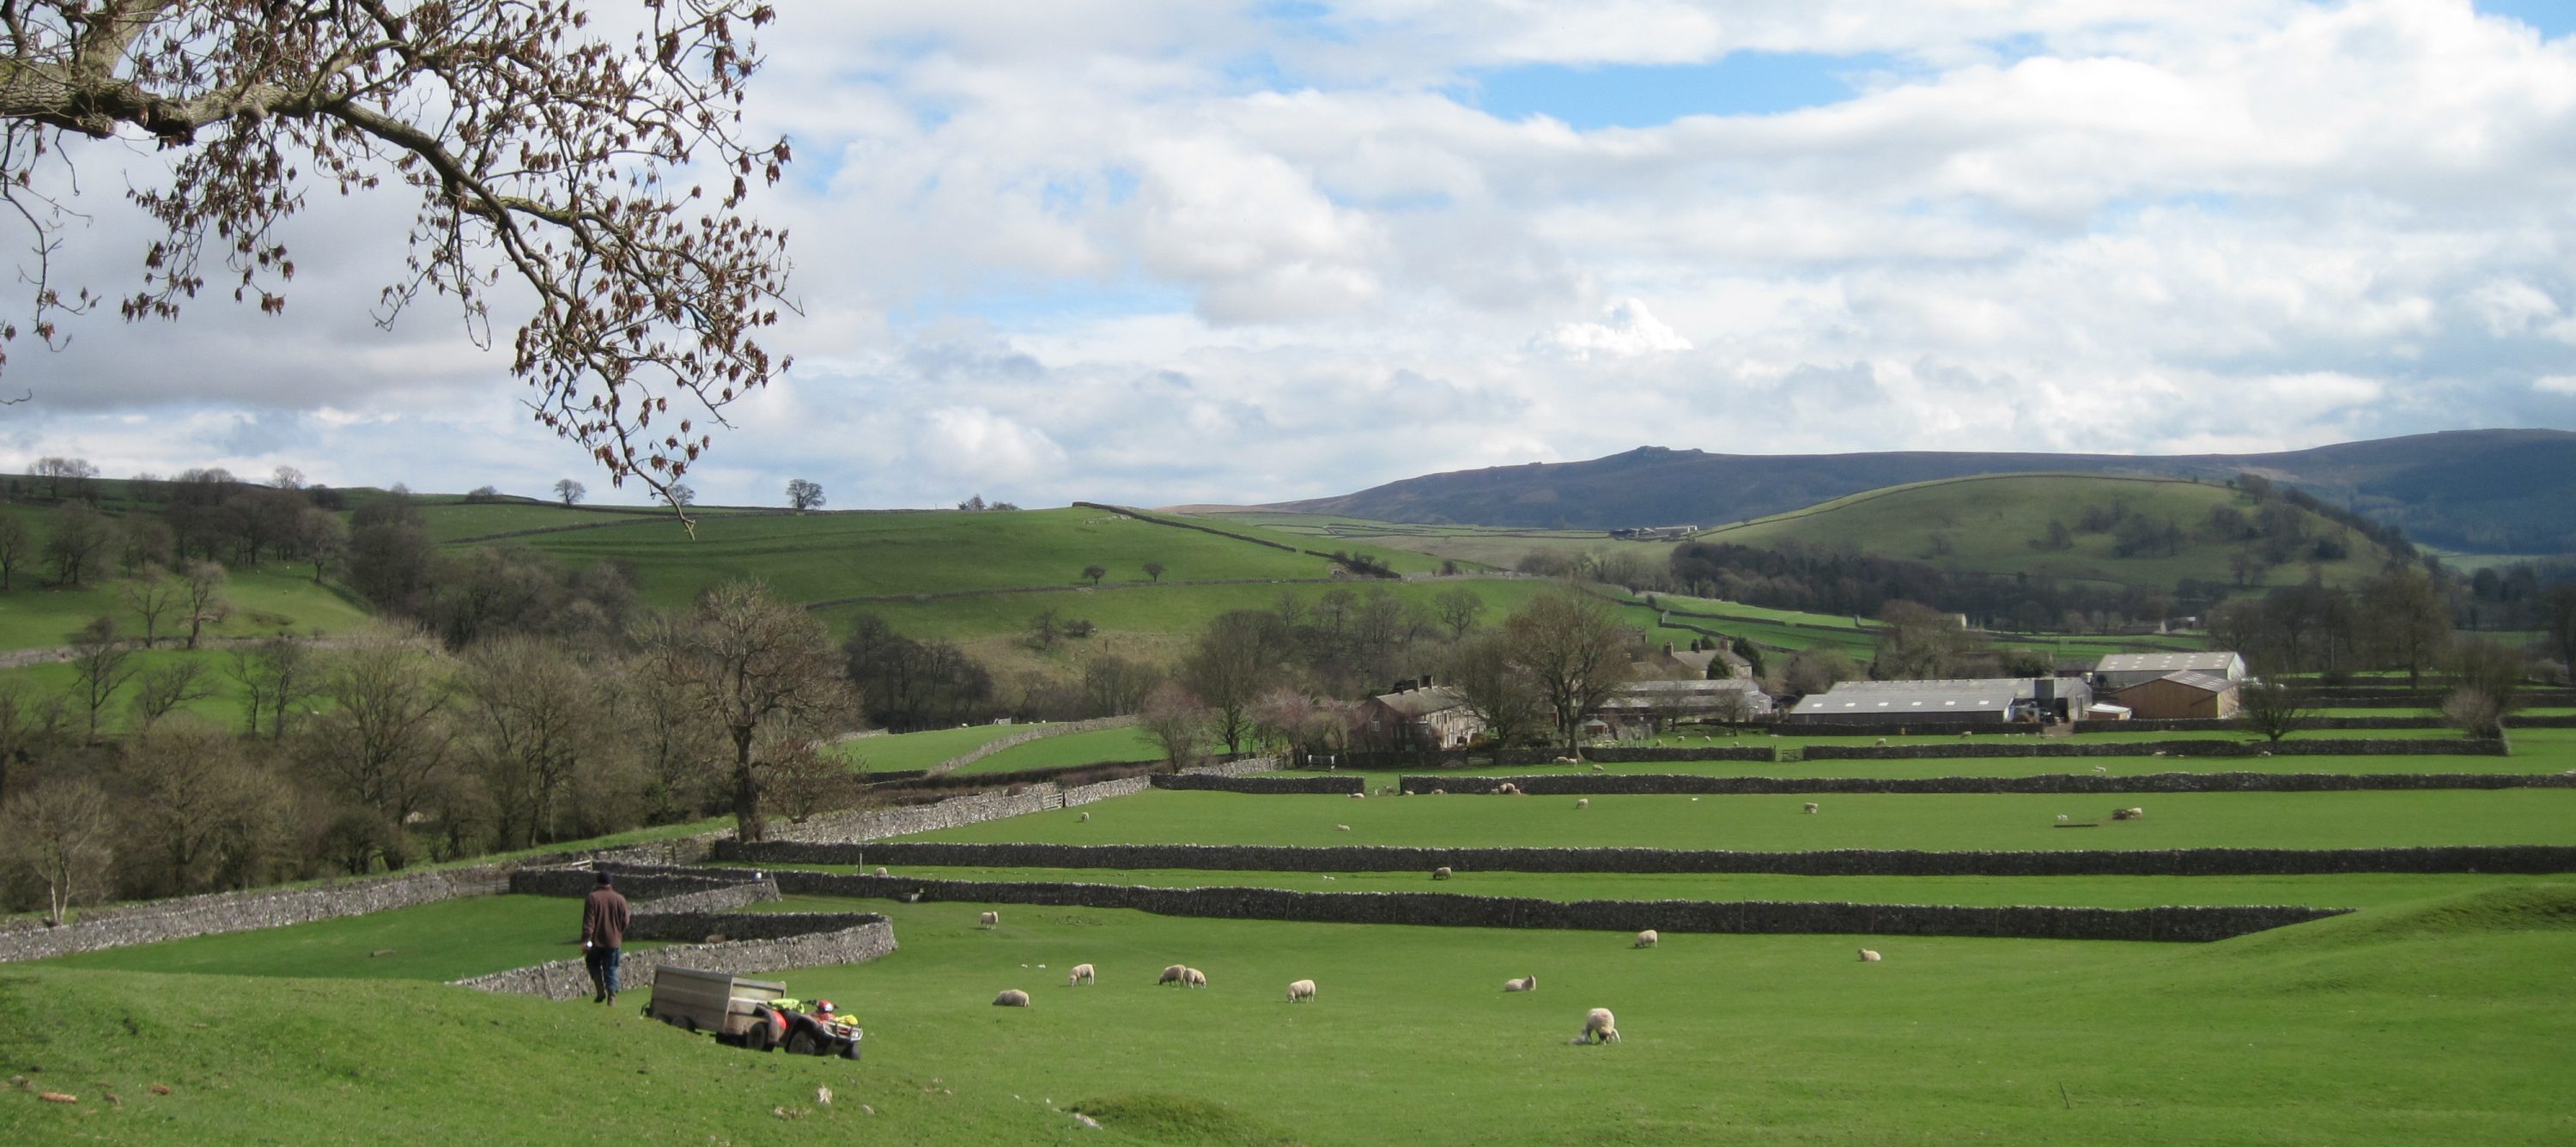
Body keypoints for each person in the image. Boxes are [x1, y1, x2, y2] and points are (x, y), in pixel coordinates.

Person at [581, 871, 632, 1004]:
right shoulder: (620, 899)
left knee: (592, 963)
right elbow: (626, 921)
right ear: (610, 883)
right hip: (614, 941)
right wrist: (618, 932)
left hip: (595, 942)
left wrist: (586, 941)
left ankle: (600, 991)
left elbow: (589, 923)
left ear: (598, 883)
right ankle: (612, 996)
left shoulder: (592, 898)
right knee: (612, 968)